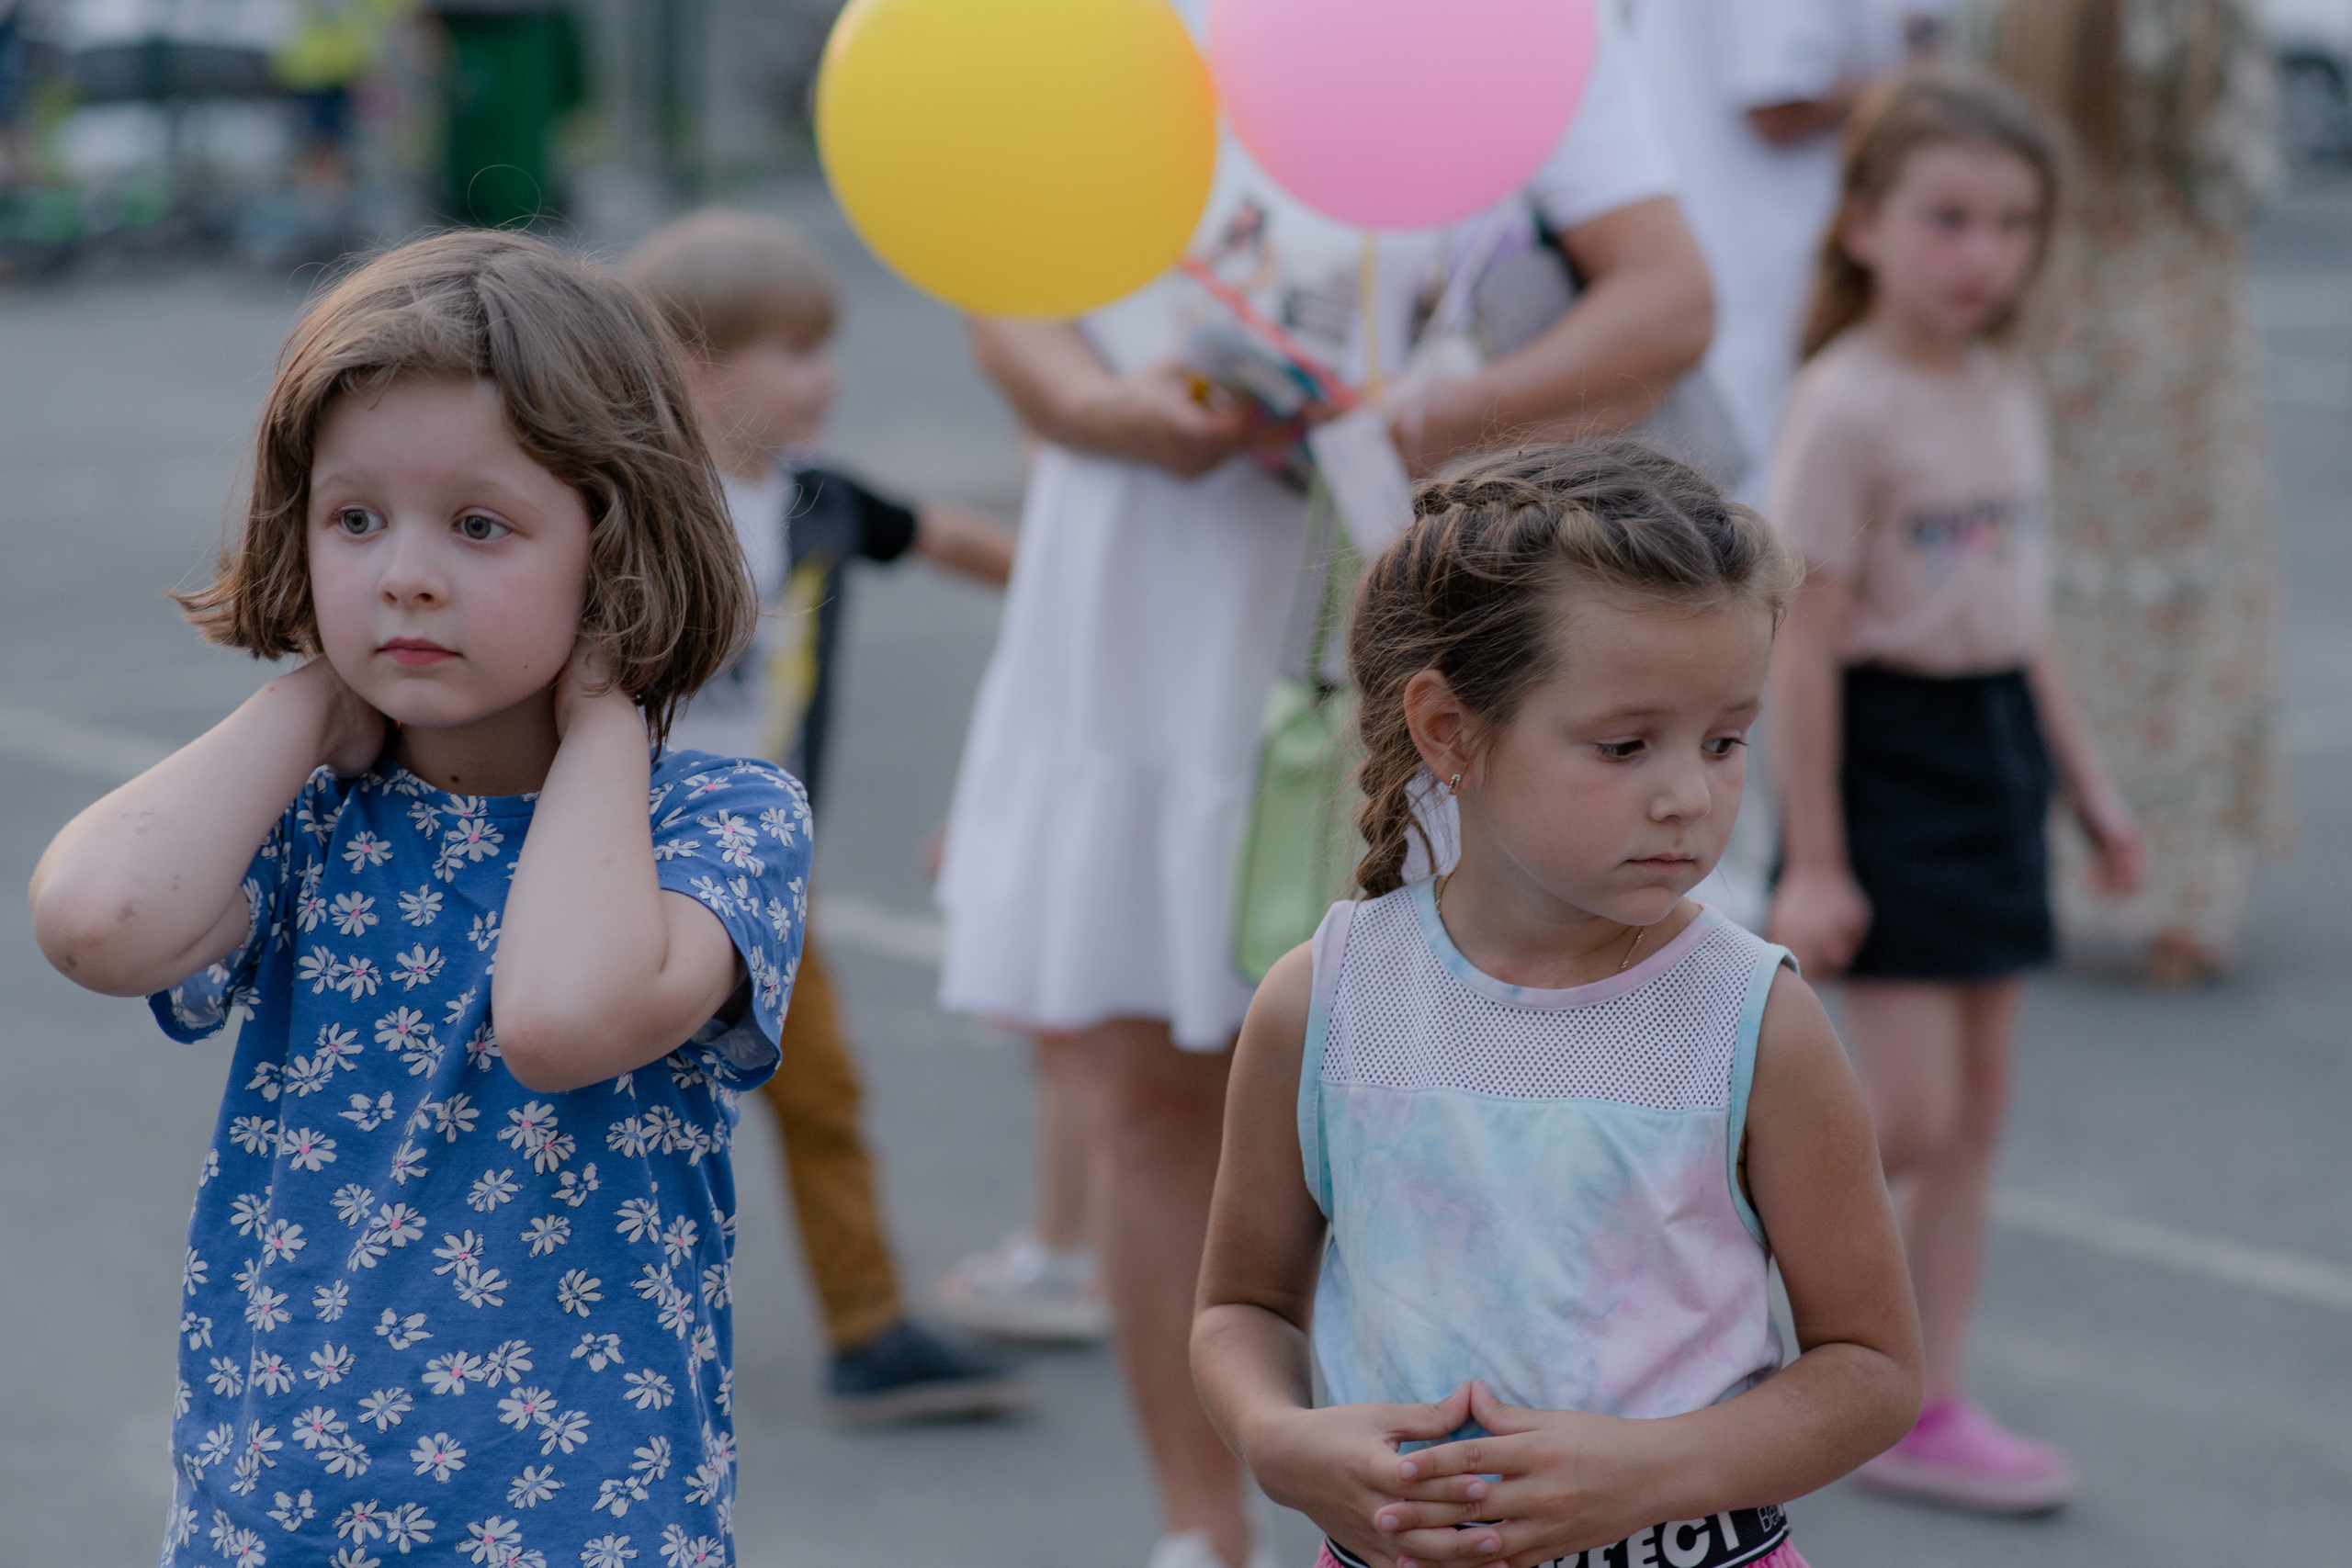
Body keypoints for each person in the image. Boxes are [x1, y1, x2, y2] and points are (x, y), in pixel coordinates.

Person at [935, 6, 1712, 1562]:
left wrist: (1435, 424)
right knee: (1159, 1088)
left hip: (1412, 589)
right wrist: (1105, 412)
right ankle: (1199, 1529)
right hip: (1147, 596)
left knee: (1456, 1080)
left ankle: (1438, 1519)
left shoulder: (1506, 30)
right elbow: (1004, 266)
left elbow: (1665, 295)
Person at [28, 231, 808, 1563]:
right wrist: (313, 693)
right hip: (278, 1518)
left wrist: (609, 700)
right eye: (355, 520)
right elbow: (96, 918)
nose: (406, 574)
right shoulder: (307, 819)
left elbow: (562, 1014)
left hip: (581, 1525)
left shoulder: (716, 823)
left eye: (480, 525)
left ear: (614, 550)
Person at [1192, 441, 1921, 1568]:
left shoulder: (1754, 1024)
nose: (1690, 794)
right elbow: (1242, 1306)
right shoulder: (1324, 1001)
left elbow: (1870, 1367)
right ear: (1451, 733)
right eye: (1625, 745)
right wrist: (1275, 1438)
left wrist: (1653, 1473)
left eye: (1726, 741)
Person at [1765, 73, 2143, 1513]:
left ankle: (1921, 1403)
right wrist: (1818, 856)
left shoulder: (2000, 383)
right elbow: (1803, 639)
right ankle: (1718, 1316)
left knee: (1978, 1112)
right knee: (1904, 1119)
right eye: (1946, 218)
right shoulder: (1844, 402)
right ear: (1864, 226)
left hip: (1993, 752)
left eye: (2011, 222)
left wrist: (2089, 789)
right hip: (1887, 754)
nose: (1981, 252)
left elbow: (2018, 620)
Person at [625, 207, 1028, 1423]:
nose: (829, 375)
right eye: (795, 352)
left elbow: (958, 540)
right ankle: (606, 1330)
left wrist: (1090, 578)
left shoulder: (820, 499)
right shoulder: (634, 503)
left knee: (822, 1091)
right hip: (621, 861)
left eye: (827, 347)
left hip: (757, 869)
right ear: (696, 369)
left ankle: (867, 1326)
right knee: (623, 1105)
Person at [1962, 0, 2289, 985]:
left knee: (2043, 584)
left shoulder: (2009, 16)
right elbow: (2241, 173)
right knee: (2193, 606)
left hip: (2054, 302)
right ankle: (2181, 899)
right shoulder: (2199, 18)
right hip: (2180, 308)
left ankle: (2047, 860)